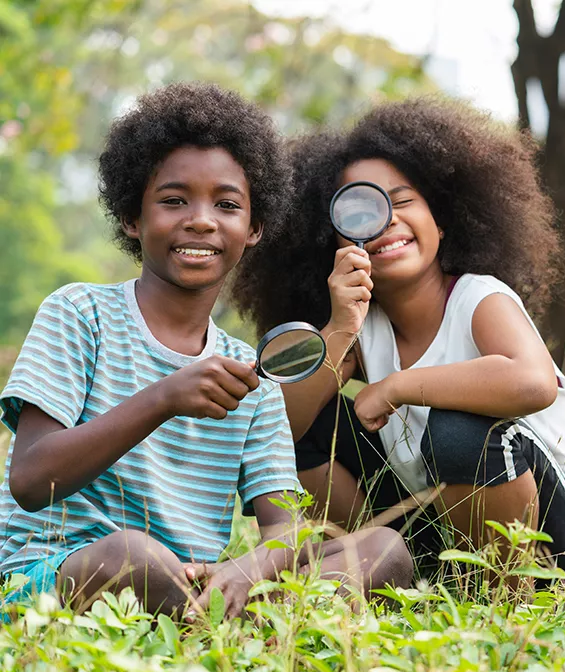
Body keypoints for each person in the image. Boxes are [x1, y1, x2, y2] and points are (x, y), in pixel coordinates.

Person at [0, 83, 412, 619]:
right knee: (136, 556)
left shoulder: (252, 376)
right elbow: (32, 481)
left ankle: (213, 624)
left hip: (195, 585)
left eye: (227, 204)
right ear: (132, 217)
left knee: (383, 550)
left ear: (254, 228)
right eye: (174, 200)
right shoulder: (79, 314)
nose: (201, 219)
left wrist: (250, 567)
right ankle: (232, 634)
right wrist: (163, 399)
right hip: (61, 571)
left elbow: (283, 529)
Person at [231, 97, 565, 577]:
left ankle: (504, 593)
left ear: (442, 219)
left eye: (403, 199)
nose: (386, 217)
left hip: (559, 541)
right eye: (361, 209)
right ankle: (392, 565)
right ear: (332, 239)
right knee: (312, 425)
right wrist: (341, 327)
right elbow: (279, 426)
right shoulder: (362, 326)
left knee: (455, 432)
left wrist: (397, 386)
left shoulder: (478, 298)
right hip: (443, 530)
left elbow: (533, 382)